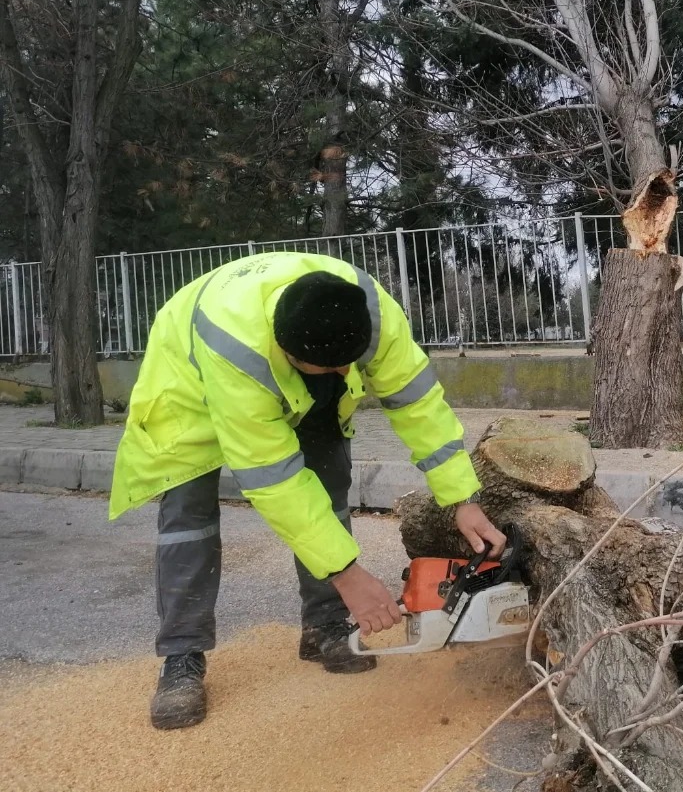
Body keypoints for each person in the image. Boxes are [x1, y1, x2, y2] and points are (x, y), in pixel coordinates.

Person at [109, 251, 506, 730]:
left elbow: (417, 401)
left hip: (290, 351)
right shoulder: (236, 348)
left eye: (350, 365)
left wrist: (463, 498)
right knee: (188, 518)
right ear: (289, 356)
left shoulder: (370, 312)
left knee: (329, 483)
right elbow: (273, 479)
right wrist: (347, 573)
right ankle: (181, 656)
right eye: (332, 367)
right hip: (188, 383)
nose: (346, 375)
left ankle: (323, 626)